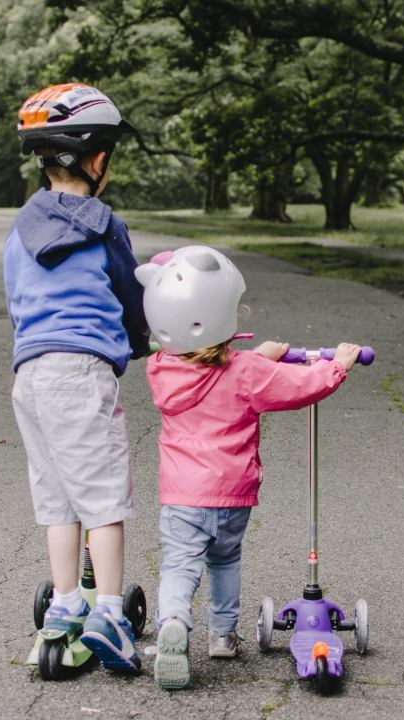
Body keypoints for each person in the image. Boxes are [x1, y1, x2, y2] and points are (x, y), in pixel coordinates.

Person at [133, 245, 361, 689]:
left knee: (180, 565)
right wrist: (337, 366)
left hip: (182, 494)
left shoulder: (162, 369)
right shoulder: (247, 372)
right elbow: (299, 386)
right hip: (232, 494)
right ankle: (222, 636)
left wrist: (260, 356)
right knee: (225, 560)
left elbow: (213, 366)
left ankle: (173, 623)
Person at [4, 83, 149, 674]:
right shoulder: (103, 224)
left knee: (57, 498)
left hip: (30, 375)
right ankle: (110, 613)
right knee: (104, 497)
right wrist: (142, 342)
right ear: (96, 160)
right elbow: (131, 292)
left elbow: (17, 299)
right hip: (81, 372)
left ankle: (64, 605)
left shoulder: (19, 229)